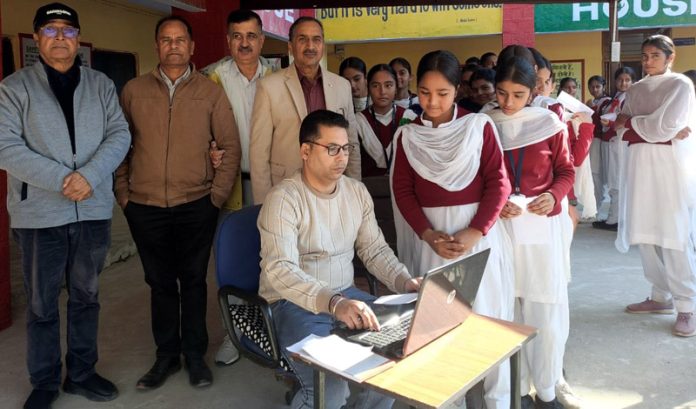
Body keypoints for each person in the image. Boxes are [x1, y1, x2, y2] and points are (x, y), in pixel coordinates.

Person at [0, 3, 130, 408]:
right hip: (39, 215)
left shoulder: (101, 85)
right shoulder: (13, 88)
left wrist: (89, 176)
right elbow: (6, 147)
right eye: (51, 30)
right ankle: (44, 382)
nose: (60, 37)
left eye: (68, 30)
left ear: (78, 39)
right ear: (38, 38)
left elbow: (119, 134)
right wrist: (62, 179)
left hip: (91, 210)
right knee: (41, 304)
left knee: (86, 296)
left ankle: (82, 373)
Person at [258, 109, 421, 409]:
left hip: (345, 296)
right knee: (330, 390)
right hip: (292, 304)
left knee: (399, 356)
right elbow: (280, 270)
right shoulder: (284, 199)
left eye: (346, 148)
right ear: (305, 151)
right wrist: (333, 302)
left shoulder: (356, 192)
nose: (342, 157)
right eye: (332, 149)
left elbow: (374, 249)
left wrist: (404, 281)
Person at [116, 15, 241, 390]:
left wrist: (215, 197)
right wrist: (124, 195)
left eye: (180, 40)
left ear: (192, 47)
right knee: (159, 284)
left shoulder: (210, 92)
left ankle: (195, 358)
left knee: (192, 281)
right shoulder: (134, 91)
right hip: (145, 205)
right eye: (166, 40)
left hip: (195, 204)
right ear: (156, 46)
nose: (173, 45)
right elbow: (118, 146)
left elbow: (230, 146)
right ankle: (165, 357)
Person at [391, 50, 514, 409]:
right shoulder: (408, 137)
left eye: (442, 93)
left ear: (457, 89)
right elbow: (403, 192)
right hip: (431, 240)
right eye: (425, 92)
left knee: (486, 318)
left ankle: (496, 397)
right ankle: (446, 398)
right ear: (416, 90)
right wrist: (428, 235)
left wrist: (475, 231)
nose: (433, 101)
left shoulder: (478, 126)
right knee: (438, 322)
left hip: (477, 236)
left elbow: (499, 183)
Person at [487, 57, 574, 409]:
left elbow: (565, 170)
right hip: (503, 227)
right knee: (508, 311)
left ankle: (547, 389)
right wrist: (499, 200)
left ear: (534, 91)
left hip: (541, 226)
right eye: (502, 93)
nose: (509, 103)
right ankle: (517, 389)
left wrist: (553, 195)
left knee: (545, 312)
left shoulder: (548, 122)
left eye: (518, 95)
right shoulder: (484, 123)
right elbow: (482, 175)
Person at [201, 9, 277, 367]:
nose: (244, 43)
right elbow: (195, 129)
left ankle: (274, 329)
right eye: (237, 36)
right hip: (228, 185)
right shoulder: (210, 78)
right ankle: (236, 334)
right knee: (231, 262)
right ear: (228, 40)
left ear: (262, 40)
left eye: (251, 36)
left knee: (274, 257)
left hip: (272, 186)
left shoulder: (278, 77)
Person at [615, 35, 696, 337]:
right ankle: (661, 296)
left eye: (654, 56)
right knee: (646, 232)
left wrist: (635, 124)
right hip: (641, 165)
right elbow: (624, 125)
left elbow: (664, 124)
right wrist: (656, 128)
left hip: (669, 167)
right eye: (644, 55)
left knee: (673, 233)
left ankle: (687, 306)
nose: (647, 61)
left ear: (670, 57)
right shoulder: (635, 89)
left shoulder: (680, 86)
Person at [249, 16, 360, 204]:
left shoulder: (341, 86)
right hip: (286, 191)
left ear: (323, 45)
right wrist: (263, 205)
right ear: (290, 47)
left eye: (316, 39)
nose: (310, 46)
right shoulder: (269, 87)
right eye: (302, 39)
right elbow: (259, 154)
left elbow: (351, 142)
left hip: (333, 190)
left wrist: (354, 194)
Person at [591, 66, 636, 231]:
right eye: (620, 79)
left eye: (627, 80)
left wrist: (611, 123)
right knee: (612, 179)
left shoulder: (632, 98)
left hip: (619, 141)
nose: (623, 83)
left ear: (633, 81)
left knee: (617, 180)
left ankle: (615, 220)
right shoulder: (615, 97)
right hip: (609, 141)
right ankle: (614, 217)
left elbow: (629, 120)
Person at [354, 64, 408, 177]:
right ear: (368, 87)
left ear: (396, 88)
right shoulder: (357, 121)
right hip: (368, 189)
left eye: (388, 85)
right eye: (375, 86)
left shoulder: (409, 117)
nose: (382, 91)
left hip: (403, 188)